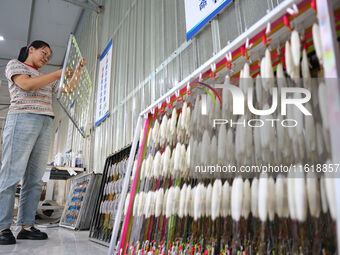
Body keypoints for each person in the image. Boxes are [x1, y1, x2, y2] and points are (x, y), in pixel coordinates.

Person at [0, 40, 86, 245]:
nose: (46, 58)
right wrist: (58, 73)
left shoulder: (47, 78)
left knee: (35, 179)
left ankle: (26, 226)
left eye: (49, 56)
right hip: (22, 118)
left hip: (45, 122)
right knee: (11, 174)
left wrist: (78, 71)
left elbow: (68, 88)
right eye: (43, 53)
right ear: (31, 49)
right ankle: (3, 227)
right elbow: (26, 85)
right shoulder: (15, 65)